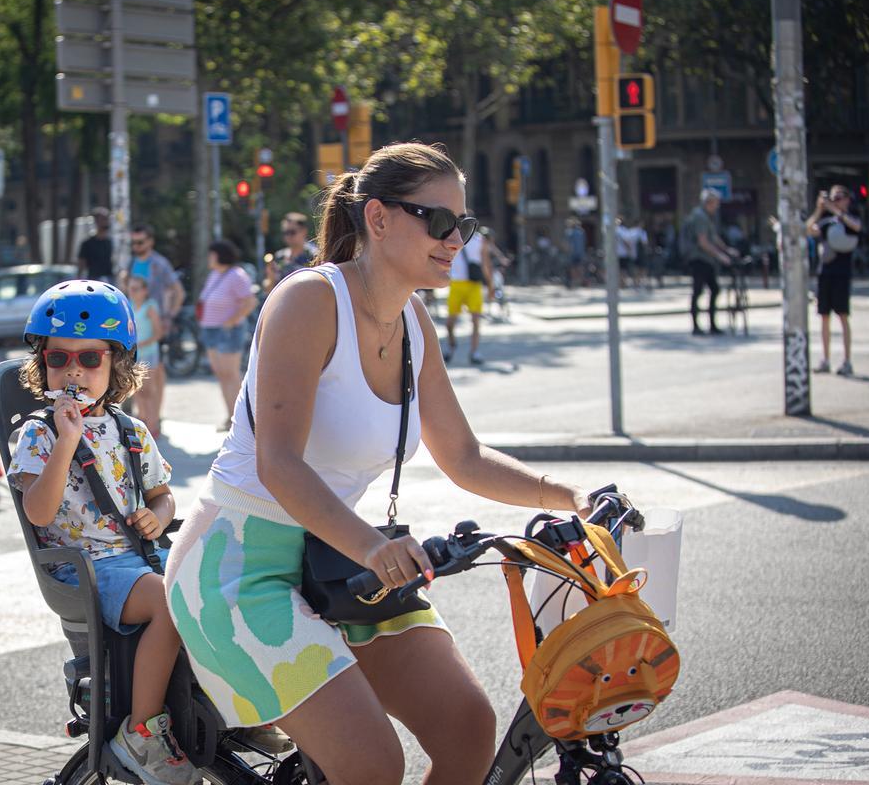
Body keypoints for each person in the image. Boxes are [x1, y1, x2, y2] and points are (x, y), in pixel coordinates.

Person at [164, 142, 595, 785]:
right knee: (370, 763)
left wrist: (570, 497)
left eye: (464, 226)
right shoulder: (308, 300)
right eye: (439, 221)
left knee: (467, 726)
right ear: (379, 217)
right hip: (234, 567)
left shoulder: (413, 320)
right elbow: (278, 462)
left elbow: (465, 456)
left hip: (334, 561)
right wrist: (371, 547)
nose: (456, 240)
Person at [8, 280, 199, 785]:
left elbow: (161, 493)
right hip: (89, 569)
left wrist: (160, 513)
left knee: (221, 584)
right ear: (41, 363)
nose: (73, 371)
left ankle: (230, 708)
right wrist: (66, 440)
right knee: (171, 603)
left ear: (116, 364)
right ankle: (141, 731)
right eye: (58, 358)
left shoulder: (132, 431)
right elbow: (40, 513)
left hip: (139, 559)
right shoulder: (38, 434)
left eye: (90, 358)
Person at [122, 225, 185, 434]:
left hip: (154, 322)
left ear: (150, 241)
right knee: (140, 377)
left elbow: (178, 291)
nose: (137, 247)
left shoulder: (159, 264)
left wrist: (168, 316)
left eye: (140, 242)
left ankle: (155, 419)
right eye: (134, 243)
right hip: (137, 324)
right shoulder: (131, 263)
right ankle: (146, 417)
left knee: (156, 375)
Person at [198, 240, 258, 432]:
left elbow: (250, 301)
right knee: (222, 375)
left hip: (228, 331)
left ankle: (242, 420)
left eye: (211, 254)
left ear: (219, 255)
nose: (209, 258)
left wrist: (231, 321)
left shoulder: (236, 275)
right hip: (212, 329)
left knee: (231, 375)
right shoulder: (216, 274)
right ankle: (230, 416)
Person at [806, 184, 862, 376]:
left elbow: (856, 227)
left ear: (847, 199)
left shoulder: (850, 218)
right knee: (824, 317)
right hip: (825, 273)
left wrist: (835, 210)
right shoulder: (827, 222)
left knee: (843, 316)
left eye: (840, 197)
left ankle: (847, 361)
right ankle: (825, 359)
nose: (836, 200)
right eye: (833, 197)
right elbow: (808, 229)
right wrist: (819, 209)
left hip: (842, 273)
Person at [680, 189, 740, 335]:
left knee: (713, 289)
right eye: (715, 203)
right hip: (699, 259)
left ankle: (711, 325)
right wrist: (721, 256)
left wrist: (727, 250)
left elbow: (713, 237)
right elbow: (703, 242)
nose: (717, 206)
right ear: (709, 203)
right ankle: (697, 326)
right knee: (699, 291)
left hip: (706, 259)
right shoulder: (700, 217)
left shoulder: (707, 216)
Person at [444, 220, 491, 365]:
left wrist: (490, 285)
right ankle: (452, 344)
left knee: (476, 320)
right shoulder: (452, 238)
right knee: (450, 322)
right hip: (456, 284)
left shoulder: (479, 240)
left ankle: (474, 352)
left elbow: (485, 263)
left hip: (474, 284)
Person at [127, 275, 164, 437]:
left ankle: (152, 424)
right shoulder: (129, 305)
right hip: (134, 354)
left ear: (144, 291)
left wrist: (140, 344)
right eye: (130, 288)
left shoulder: (150, 306)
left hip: (149, 353)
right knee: (137, 390)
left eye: (136, 289)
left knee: (149, 390)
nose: (132, 292)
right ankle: (143, 423)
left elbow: (158, 333)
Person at [263, 212, 317, 293]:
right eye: (286, 233)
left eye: (292, 232)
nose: (288, 236)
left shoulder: (313, 256)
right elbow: (269, 290)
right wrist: (270, 277)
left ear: (304, 231)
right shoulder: (279, 257)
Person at [78, 207, 113, 283]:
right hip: (93, 280)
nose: (106, 221)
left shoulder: (110, 242)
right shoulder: (87, 243)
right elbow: (81, 264)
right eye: (103, 219)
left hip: (109, 280)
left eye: (107, 219)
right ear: (96, 221)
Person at [565, 217, 587, 289]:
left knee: (573, 268)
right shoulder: (581, 232)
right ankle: (580, 281)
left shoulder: (569, 232)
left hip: (573, 253)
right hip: (581, 252)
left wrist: (567, 251)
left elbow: (568, 244)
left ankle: (574, 282)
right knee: (580, 267)